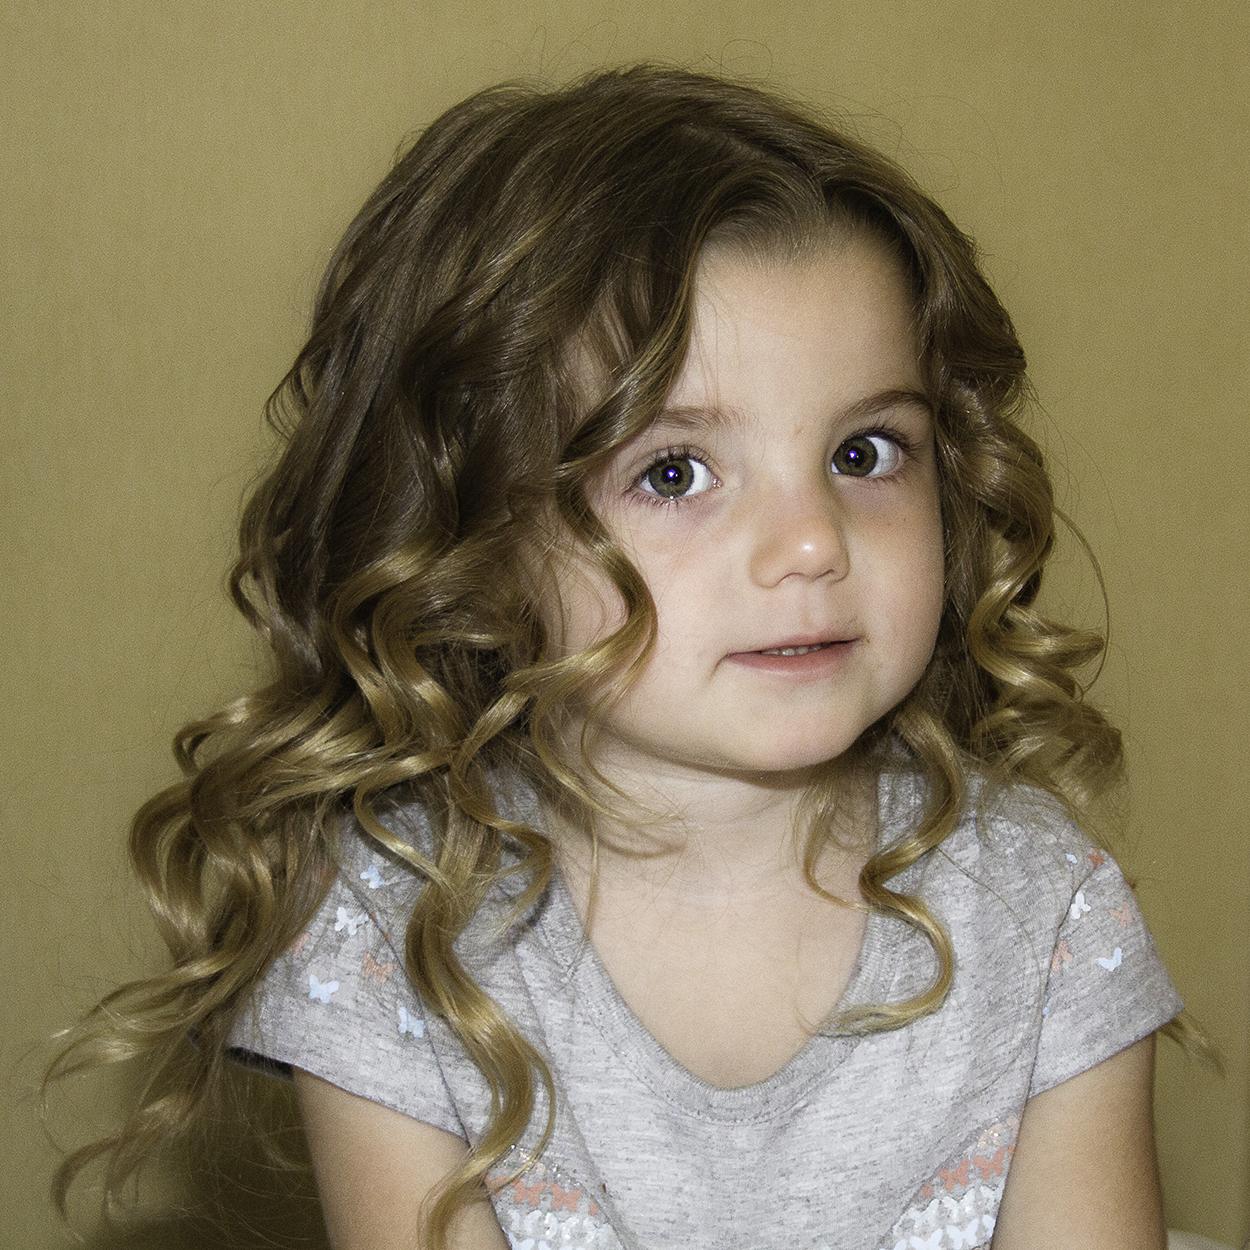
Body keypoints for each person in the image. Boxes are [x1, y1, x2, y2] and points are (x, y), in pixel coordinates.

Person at [46, 62, 1200, 1250]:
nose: (812, 540)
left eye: (863, 452)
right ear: (473, 534)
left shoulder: (1041, 905)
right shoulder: (393, 923)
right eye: (673, 471)